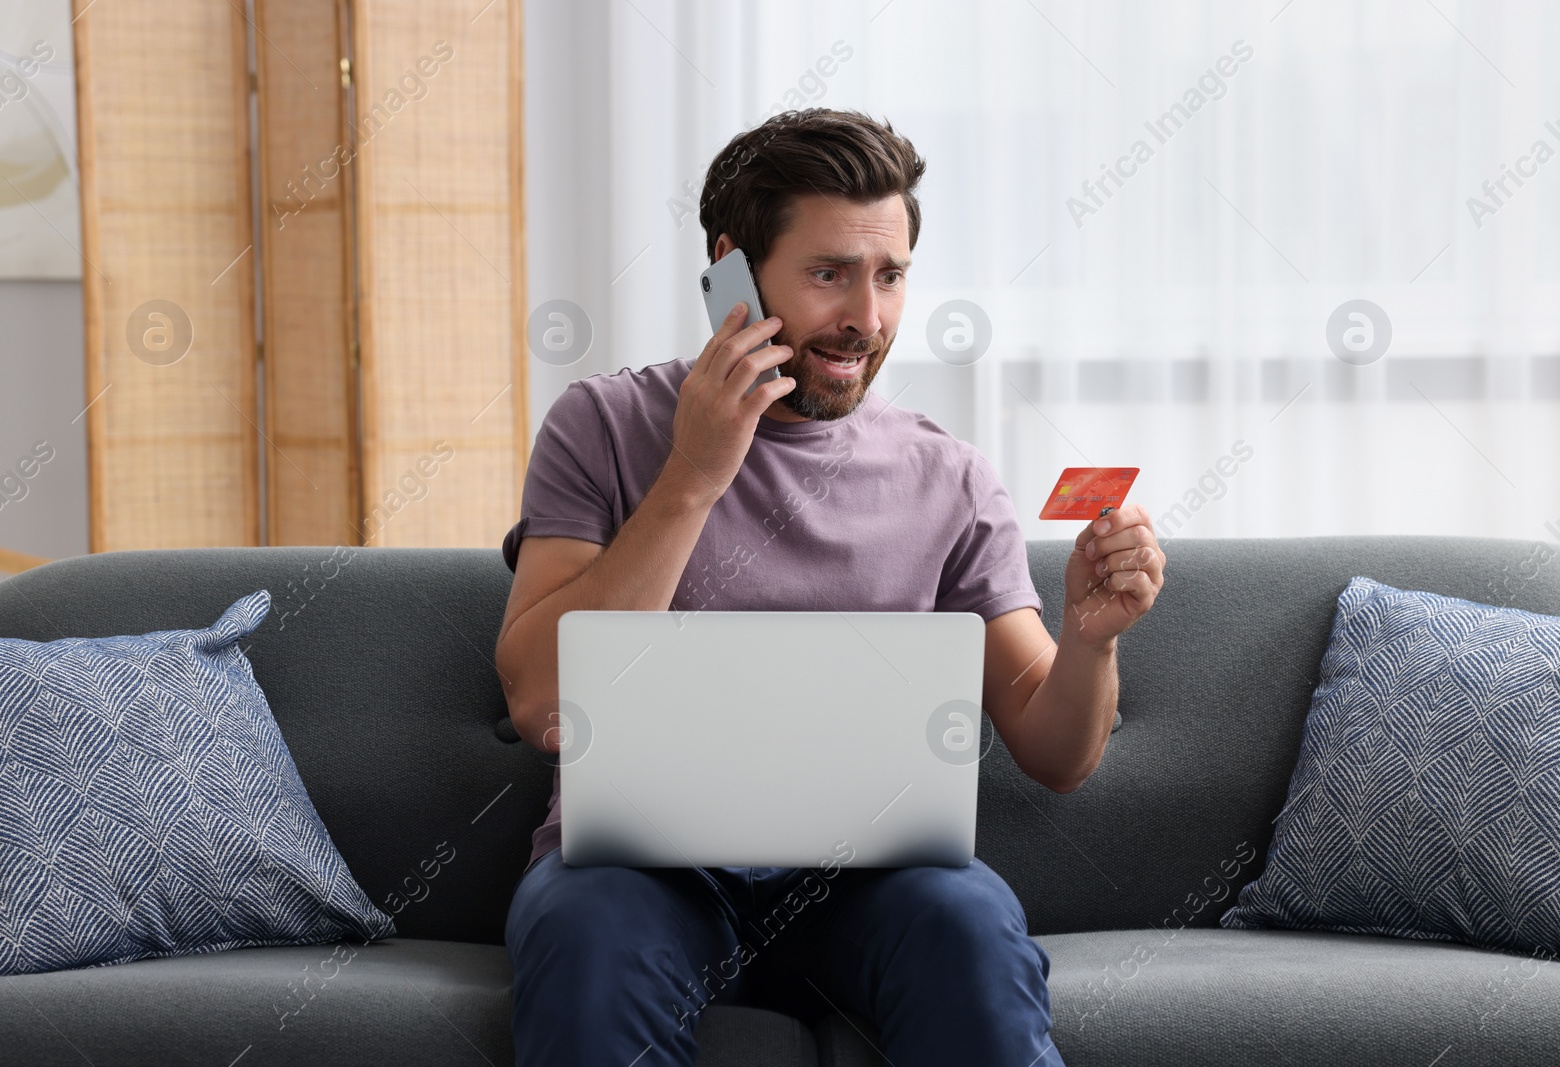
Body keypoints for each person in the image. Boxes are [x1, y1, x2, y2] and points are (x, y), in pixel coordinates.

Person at [494, 107, 1166, 1067]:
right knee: (584, 941)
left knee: (971, 925)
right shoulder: (601, 424)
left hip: (872, 882)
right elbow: (540, 699)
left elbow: (1056, 753)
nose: (867, 317)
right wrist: (692, 476)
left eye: (889, 276)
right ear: (731, 267)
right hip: (636, 876)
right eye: (828, 274)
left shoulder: (950, 476)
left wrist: (1092, 640)